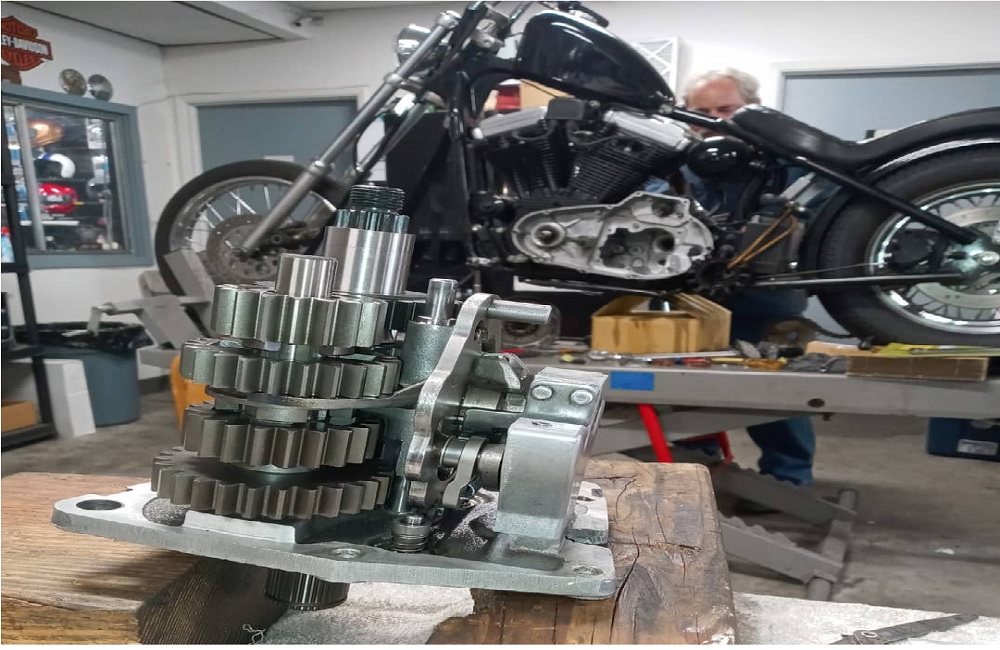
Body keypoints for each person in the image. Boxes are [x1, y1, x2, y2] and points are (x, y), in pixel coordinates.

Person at [651, 68, 817, 496]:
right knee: (691, 387)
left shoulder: (788, 164)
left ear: (753, 109)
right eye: (702, 112)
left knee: (773, 389)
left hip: (767, 295)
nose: (714, 121)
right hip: (692, 297)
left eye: (726, 110)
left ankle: (788, 480)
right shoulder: (676, 164)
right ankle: (699, 465)